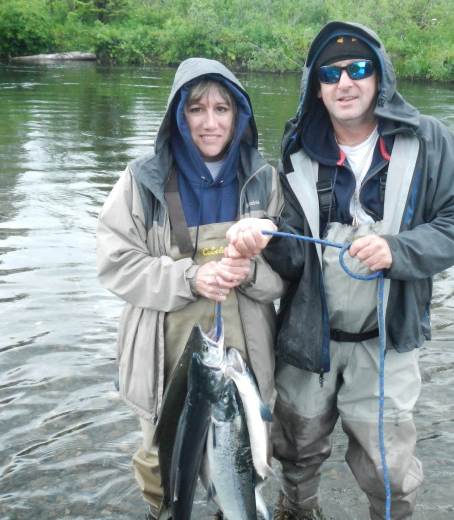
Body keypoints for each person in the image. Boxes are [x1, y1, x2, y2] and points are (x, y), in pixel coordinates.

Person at [226, 21, 454, 520]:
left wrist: (399, 250)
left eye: (358, 68)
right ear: (316, 87)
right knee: (296, 452)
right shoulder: (296, 150)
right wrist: (261, 236)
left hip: (384, 340)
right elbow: (294, 259)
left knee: (387, 468)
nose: (344, 82)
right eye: (330, 73)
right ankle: (297, 512)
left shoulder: (427, 139)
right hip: (308, 338)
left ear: (380, 76)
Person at [96, 58, 284, 520]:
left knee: (241, 464)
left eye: (222, 109)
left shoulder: (266, 182)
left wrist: (249, 271)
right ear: (178, 116)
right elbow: (115, 264)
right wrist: (190, 277)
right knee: (162, 466)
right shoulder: (141, 182)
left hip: (243, 356)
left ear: (239, 115)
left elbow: (286, 277)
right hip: (163, 353)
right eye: (196, 109)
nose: (210, 122)